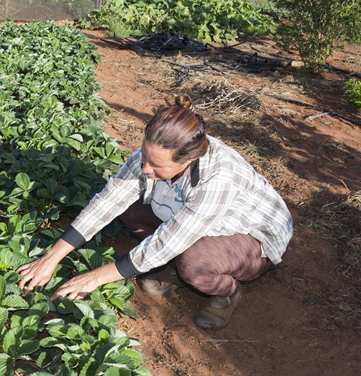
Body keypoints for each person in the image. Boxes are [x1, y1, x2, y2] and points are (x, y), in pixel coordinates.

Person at [17, 95, 293, 330]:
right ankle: (173, 267)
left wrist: (94, 278)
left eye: (157, 165)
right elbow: (108, 202)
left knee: (194, 263)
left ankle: (227, 293)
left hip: (253, 237)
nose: (145, 168)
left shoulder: (218, 179)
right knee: (129, 209)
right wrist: (51, 258)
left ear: (188, 160)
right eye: (145, 156)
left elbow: (167, 243)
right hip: (192, 220)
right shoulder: (153, 155)